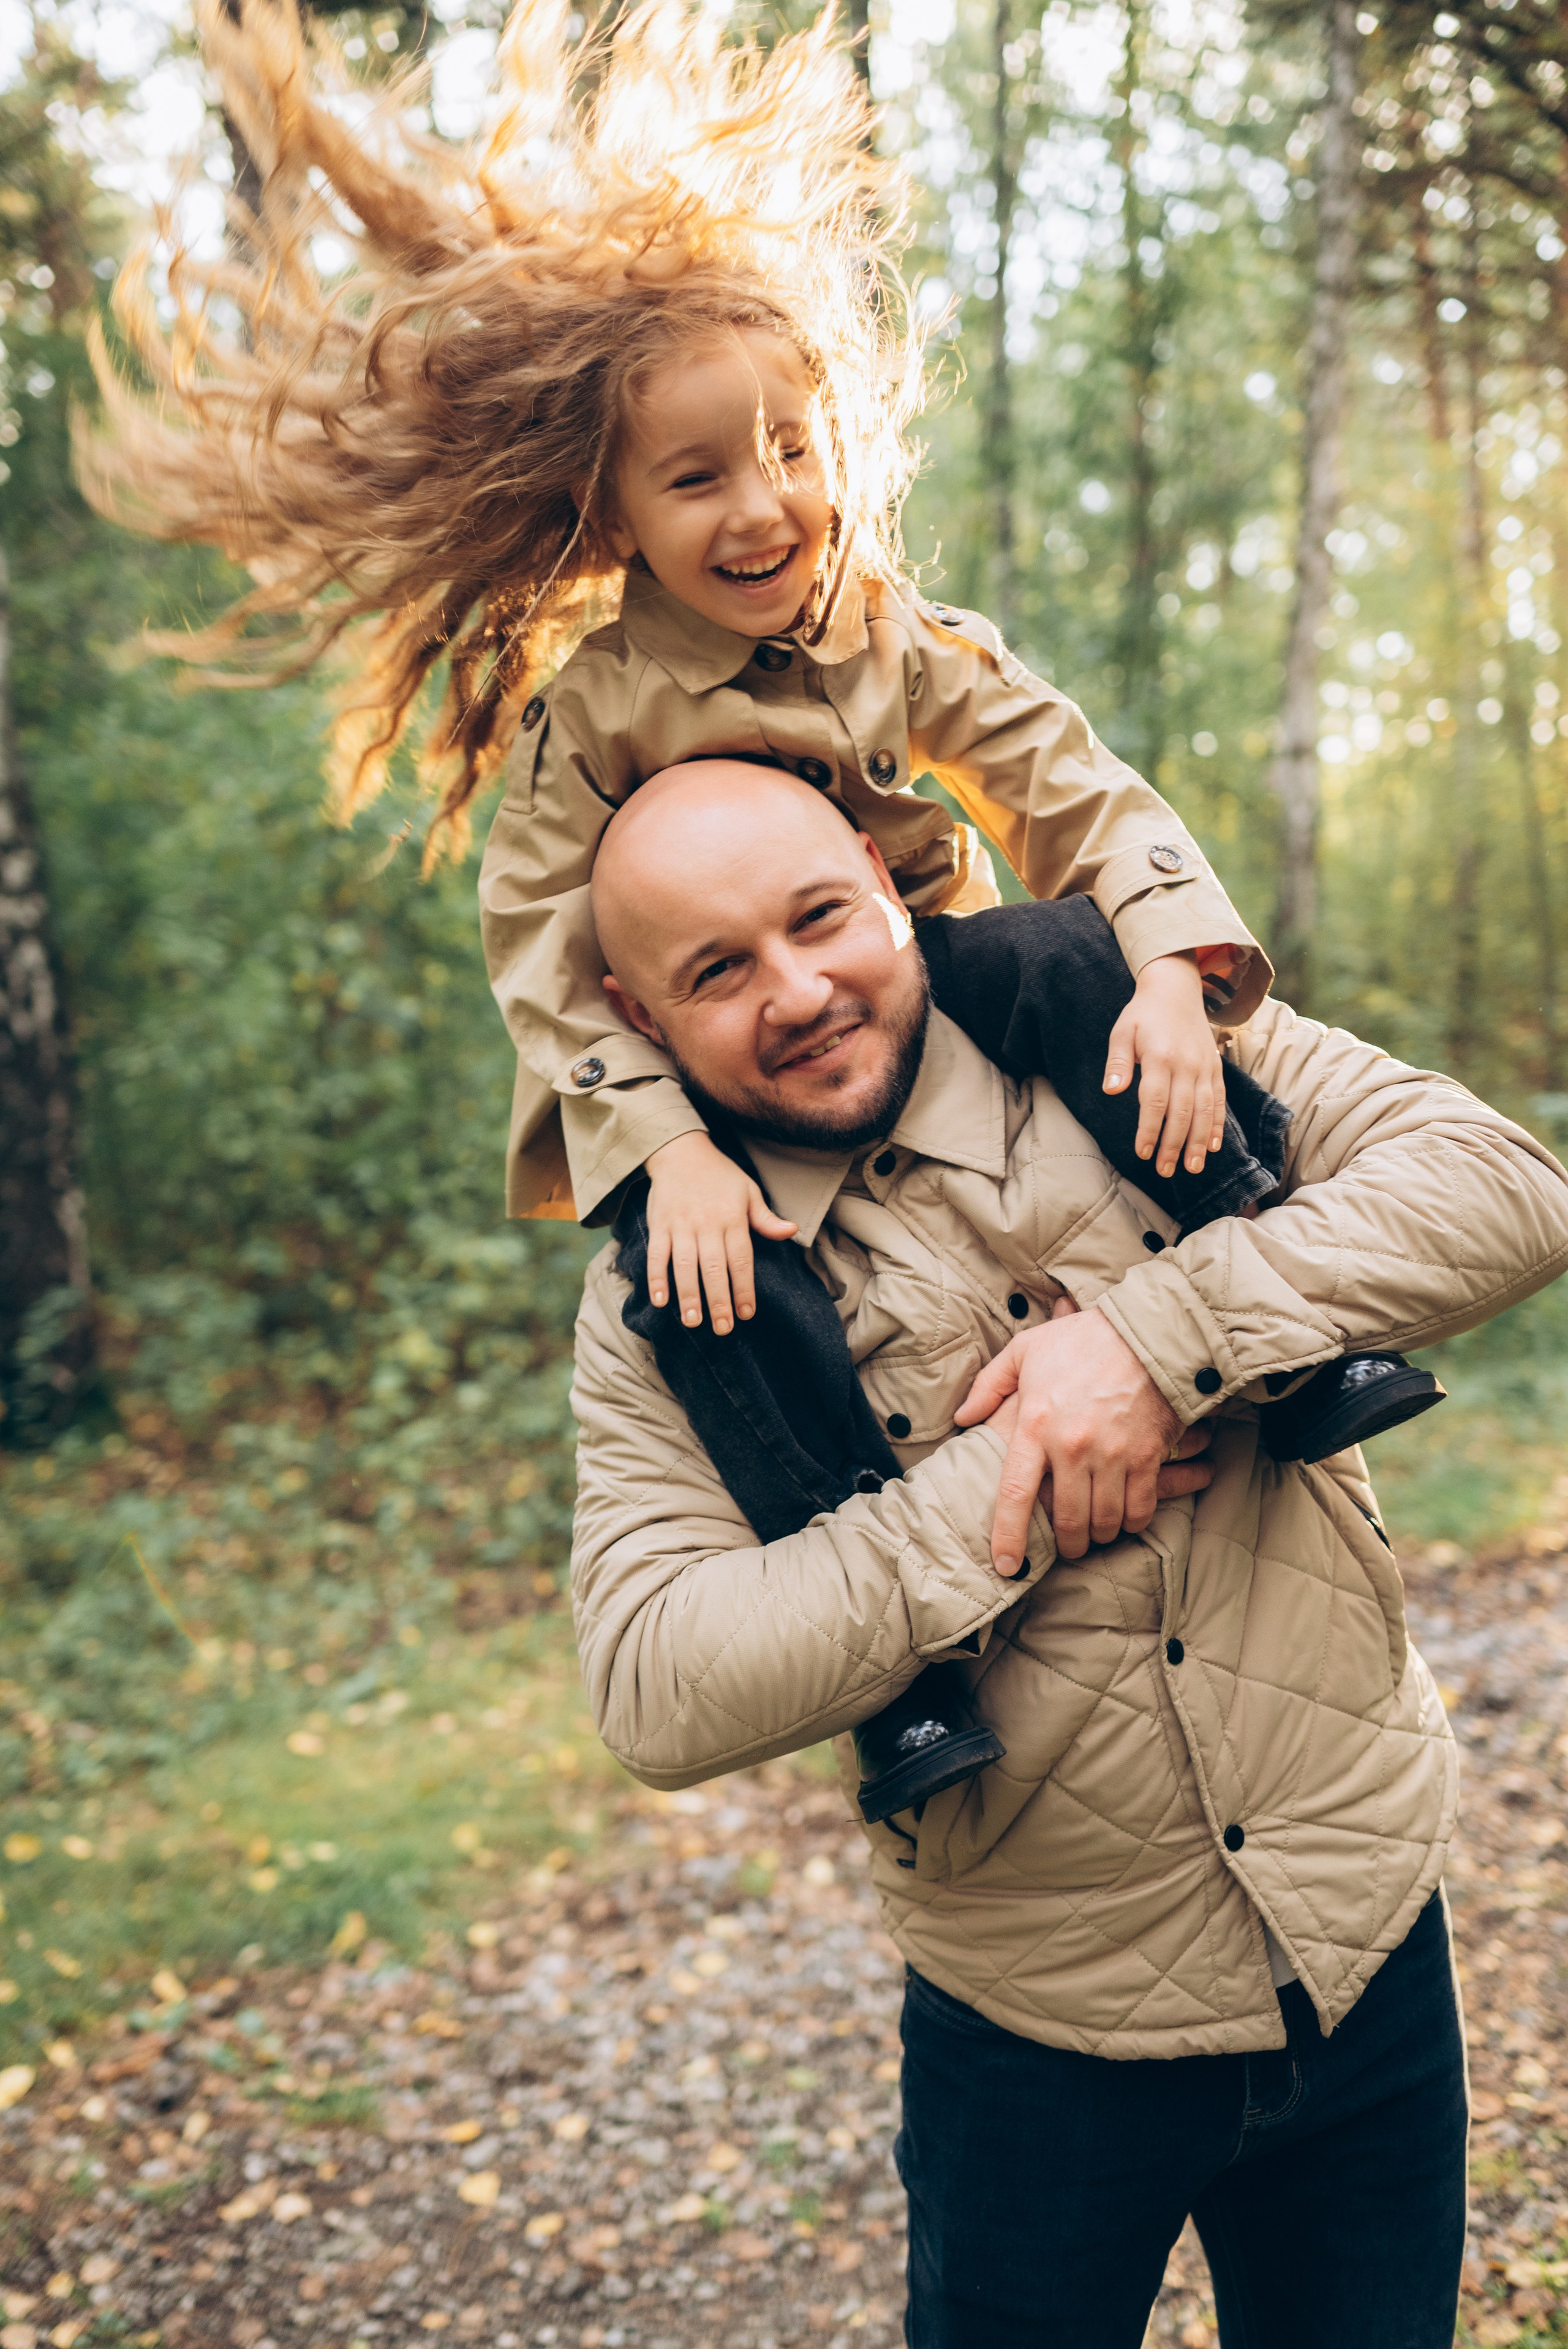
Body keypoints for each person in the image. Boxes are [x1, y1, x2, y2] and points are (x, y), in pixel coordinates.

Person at [79, 0, 1438, 1469]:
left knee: (1060, 954)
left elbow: (1069, 783)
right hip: (715, 1067)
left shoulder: (891, 632)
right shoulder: (595, 709)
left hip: (920, 989)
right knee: (701, 1280)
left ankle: (1286, 1323)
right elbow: (538, 941)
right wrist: (663, 1146)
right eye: (696, 475)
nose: (760, 504)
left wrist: (1172, 974)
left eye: (790, 449)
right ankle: (895, 1644)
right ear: (613, 516)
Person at [569, 760, 1568, 2349]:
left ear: (891, 879)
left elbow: (1506, 1188)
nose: (799, 988)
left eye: (819, 916)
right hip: (1037, 2033)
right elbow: (658, 1681)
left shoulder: (1131, 1025)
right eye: (718, 969)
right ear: (633, 1010)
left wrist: (1151, 1338)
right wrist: (1004, 1482)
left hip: (1365, 1933)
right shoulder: (677, 1302)